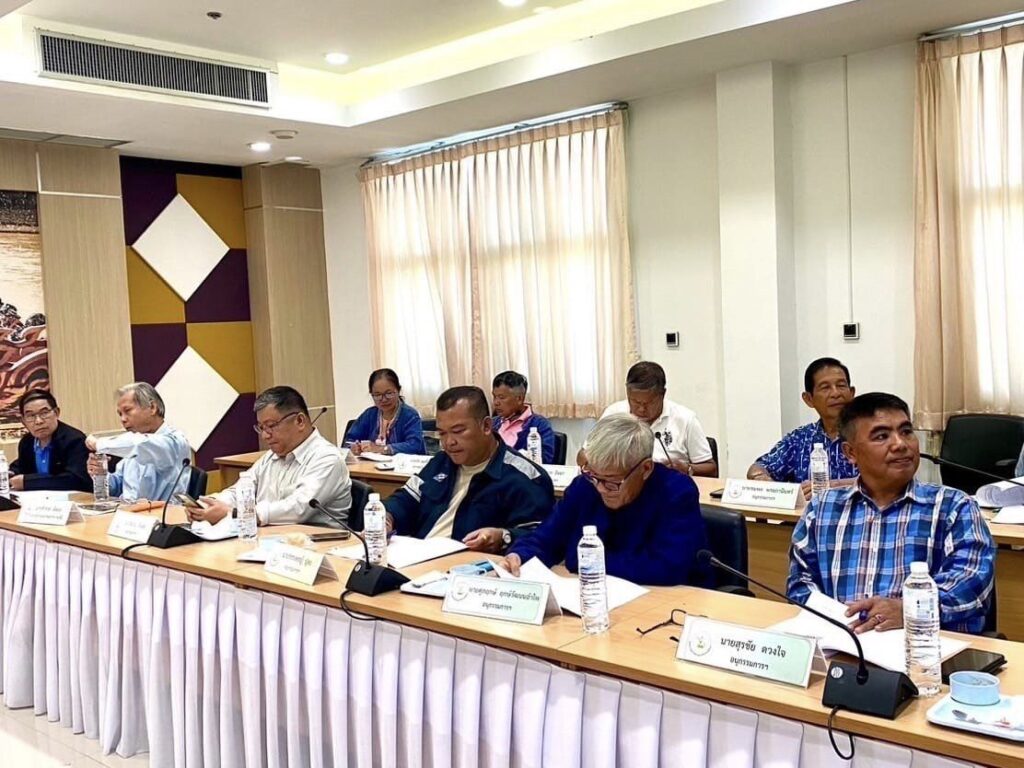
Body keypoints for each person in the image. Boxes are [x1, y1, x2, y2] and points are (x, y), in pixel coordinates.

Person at [787, 392, 995, 634]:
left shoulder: (954, 506)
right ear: (850, 453)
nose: (900, 444)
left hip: (925, 644)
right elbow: (800, 585)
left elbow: (972, 583)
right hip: (843, 641)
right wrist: (845, 622)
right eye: (881, 436)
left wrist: (909, 609)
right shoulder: (822, 509)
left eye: (906, 432)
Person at [501, 413, 708, 586]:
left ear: (645, 469)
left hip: (669, 600)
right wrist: (520, 554)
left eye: (612, 481)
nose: (600, 488)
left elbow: (667, 567)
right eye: (594, 476)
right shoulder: (584, 486)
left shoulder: (677, 492)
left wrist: (583, 560)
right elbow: (547, 536)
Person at [384, 386, 554, 552]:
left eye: (458, 431)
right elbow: (404, 499)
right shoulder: (441, 462)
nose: (449, 442)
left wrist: (503, 537)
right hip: (417, 556)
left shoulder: (525, 477)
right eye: (442, 433)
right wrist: (386, 517)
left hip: (470, 565)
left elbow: (540, 537)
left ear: (486, 426)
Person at [188, 386, 352, 527]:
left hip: (315, 547)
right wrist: (207, 505)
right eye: (261, 428)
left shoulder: (327, 458)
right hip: (270, 541)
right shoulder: (271, 457)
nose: (265, 436)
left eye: (271, 426)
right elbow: (239, 491)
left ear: (300, 421)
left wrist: (236, 513)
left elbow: (297, 509)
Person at [748, 357, 858, 498]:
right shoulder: (800, 438)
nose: (835, 393)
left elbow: (884, 481)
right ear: (809, 399)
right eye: (825, 388)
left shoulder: (870, 435)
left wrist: (833, 486)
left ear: (852, 393)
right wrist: (767, 484)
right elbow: (759, 467)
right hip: (807, 512)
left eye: (841, 386)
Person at [601, 361, 717, 476]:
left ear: (663, 394)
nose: (641, 409)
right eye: (635, 402)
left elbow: (711, 468)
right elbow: (589, 457)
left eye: (649, 403)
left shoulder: (685, 419)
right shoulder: (613, 415)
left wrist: (687, 468)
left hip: (669, 484)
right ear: (627, 392)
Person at [85, 382, 190, 503]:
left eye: (127, 411)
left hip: (162, 513)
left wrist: (99, 443)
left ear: (152, 408)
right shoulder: (132, 444)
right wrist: (100, 474)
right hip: (128, 511)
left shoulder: (174, 441)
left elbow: (140, 445)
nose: (123, 419)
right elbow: (117, 487)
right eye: (120, 414)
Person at [8, 390, 90, 492]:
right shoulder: (27, 442)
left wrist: (27, 482)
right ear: (23, 421)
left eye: (44, 413)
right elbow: (22, 466)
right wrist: (10, 473)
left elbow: (75, 479)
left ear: (56, 413)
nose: (38, 421)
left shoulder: (75, 440)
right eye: (31, 416)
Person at [346, 368, 426, 456]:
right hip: (371, 464)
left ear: (398, 390)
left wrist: (382, 449)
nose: (383, 399)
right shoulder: (369, 414)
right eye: (377, 395)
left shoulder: (410, 415)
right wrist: (354, 447)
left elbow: (414, 445)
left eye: (389, 393)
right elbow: (349, 440)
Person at [491, 370, 556, 464]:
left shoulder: (540, 425)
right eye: (494, 397)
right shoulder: (493, 423)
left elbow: (544, 459)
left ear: (519, 399)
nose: (496, 402)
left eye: (501, 397)